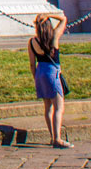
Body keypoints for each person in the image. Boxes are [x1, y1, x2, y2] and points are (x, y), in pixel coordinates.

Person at [27, 11, 70, 148]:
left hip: (40, 72)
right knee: (59, 107)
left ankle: (52, 137)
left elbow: (32, 64)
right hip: (53, 72)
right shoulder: (54, 38)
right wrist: (50, 15)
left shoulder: (32, 42)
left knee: (48, 107)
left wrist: (36, 78)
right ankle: (57, 139)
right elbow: (64, 19)